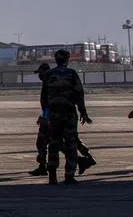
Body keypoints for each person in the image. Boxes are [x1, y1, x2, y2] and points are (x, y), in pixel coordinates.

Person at [42, 49, 93, 185]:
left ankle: (52, 176)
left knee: (53, 144)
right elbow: (79, 94)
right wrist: (83, 112)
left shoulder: (49, 75)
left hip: (53, 114)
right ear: (67, 59)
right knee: (71, 144)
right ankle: (69, 175)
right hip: (68, 113)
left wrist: (45, 115)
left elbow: (44, 98)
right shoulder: (71, 74)